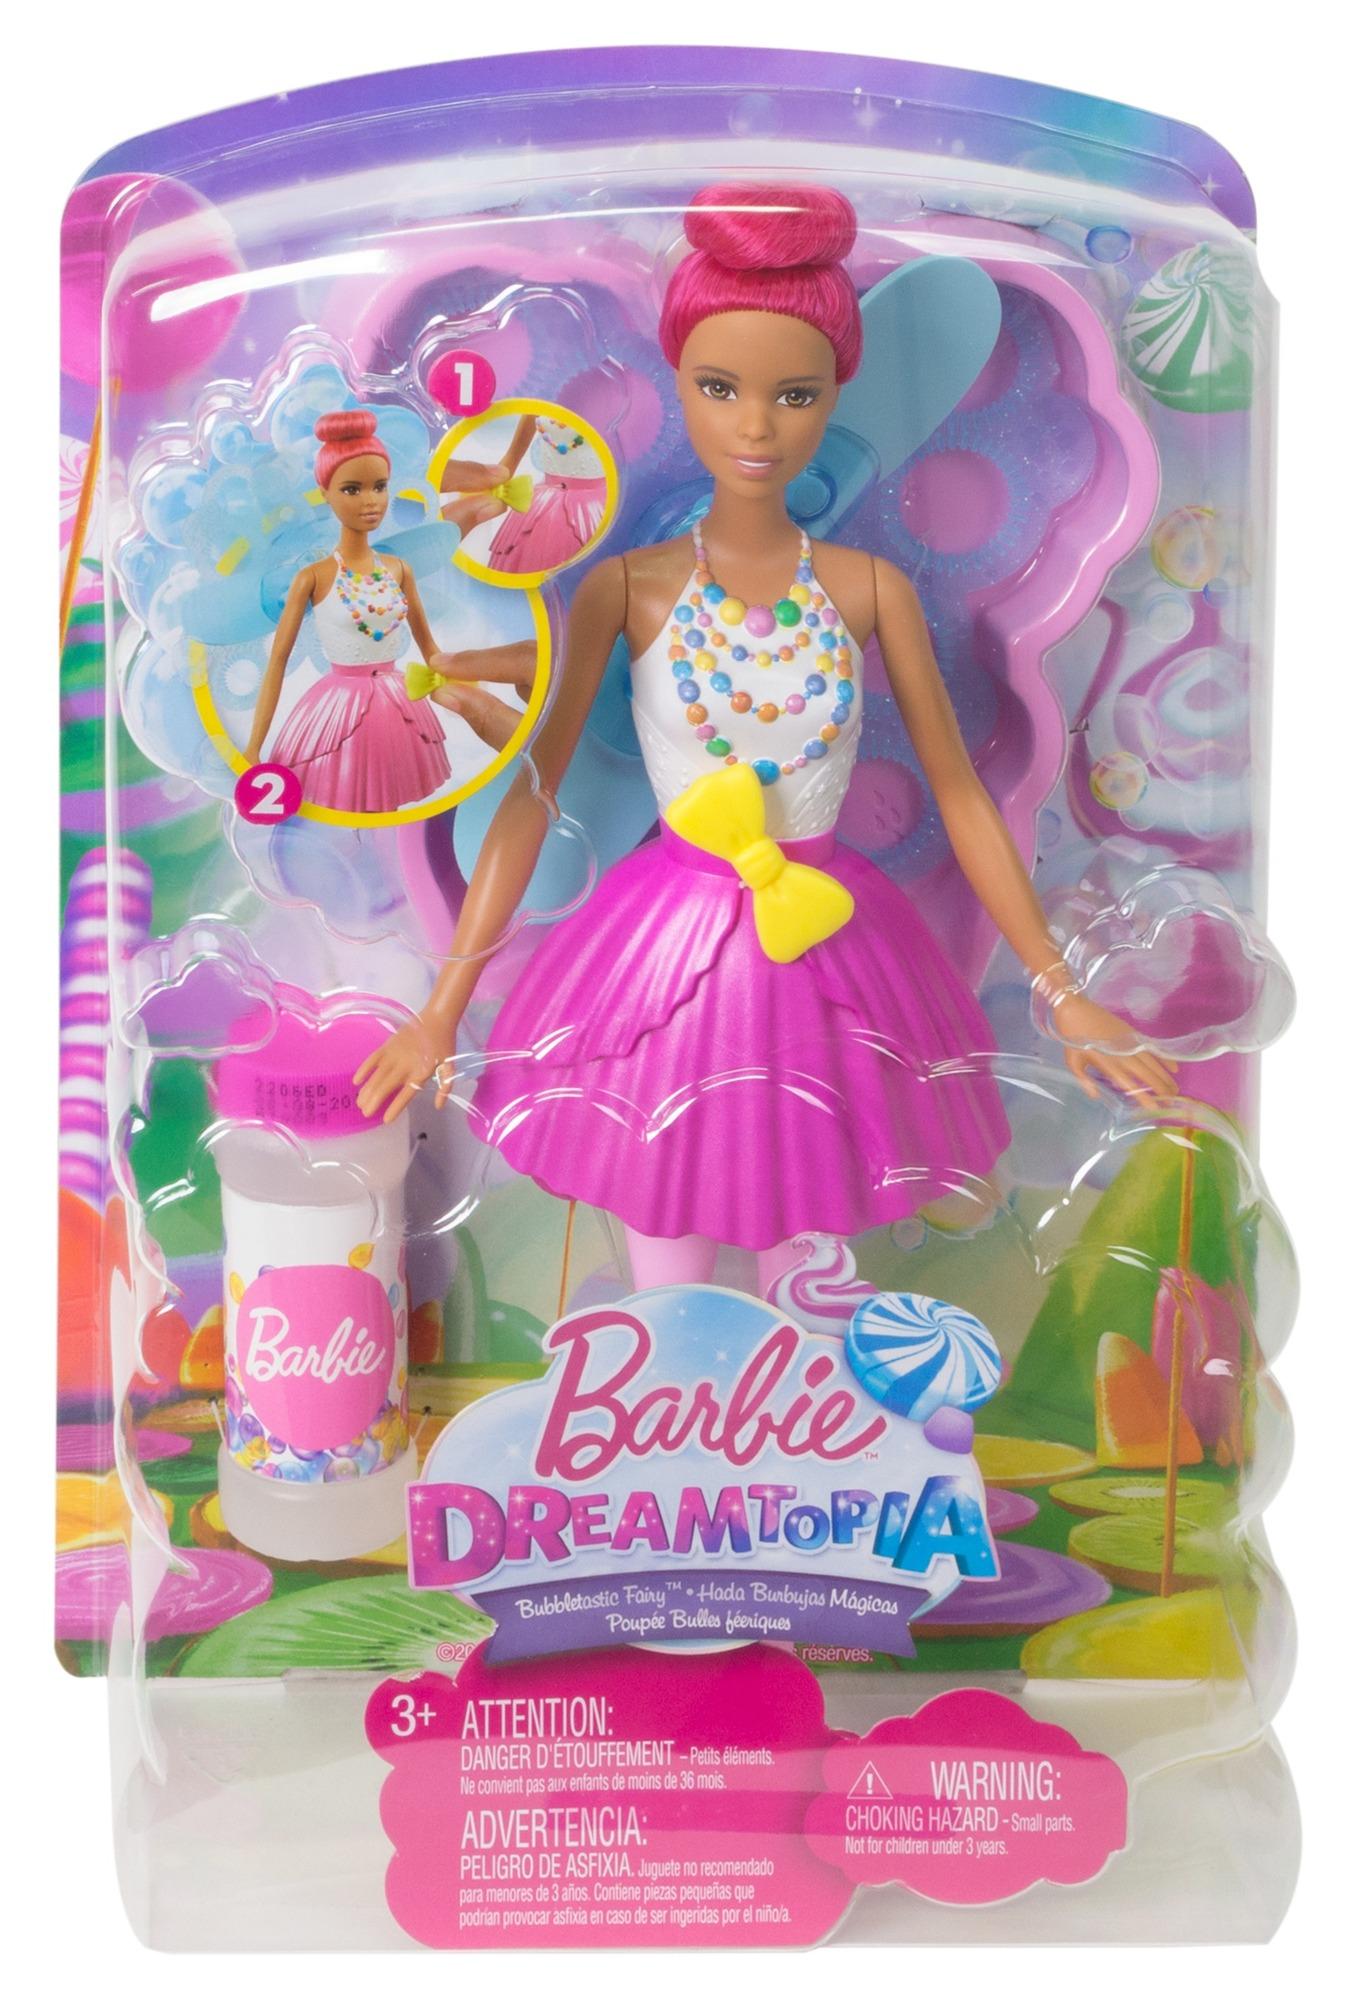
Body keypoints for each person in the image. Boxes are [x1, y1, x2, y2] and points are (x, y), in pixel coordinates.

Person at [355, 183, 1176, 1293]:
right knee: (663, 1216)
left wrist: (1060, 987)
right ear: (680, 384)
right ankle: (668, 1374)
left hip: (831, 938)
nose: (754, 426)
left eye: (793, 395)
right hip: (667, 947)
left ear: (836, 395)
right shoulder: (627, 587)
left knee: (815, 1231)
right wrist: (441, 1006)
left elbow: (961, 793)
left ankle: (800, 1385)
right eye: (719, 388)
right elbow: (533, 793)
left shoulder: (868, 587)